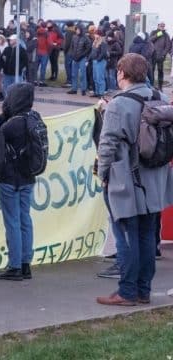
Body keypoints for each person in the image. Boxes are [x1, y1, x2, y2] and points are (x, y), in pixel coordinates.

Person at [96, 53, 173, 306]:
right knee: (148, 235)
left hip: (126, 179)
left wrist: (103, 174)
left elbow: (107, 144)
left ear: (122, 73)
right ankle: (143, 290)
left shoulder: (118, 104)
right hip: (156, 179)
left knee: (126, 235)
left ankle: (127, 292)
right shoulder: (160, 98)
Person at [0, 82, 38, 281]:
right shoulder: (34, 119)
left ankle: (14, 266)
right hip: (28, 177)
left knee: (12, 221)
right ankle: (25, 263)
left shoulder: (11, 124)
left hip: (10, 179)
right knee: (25, 219)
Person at [67, 25, 91, 96]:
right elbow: (71, 47)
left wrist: (82, 55)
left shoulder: (86, 38)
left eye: (78, 30)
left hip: (82, 58)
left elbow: (88, 48)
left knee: (82, 75)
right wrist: (71, 54)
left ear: (81, 30)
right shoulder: (74, 37)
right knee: (74, 74)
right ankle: (74, 89)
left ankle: (83, 89)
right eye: (76, 30)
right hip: (75, 58)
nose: (77, 31)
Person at [150, 22, 171, 90]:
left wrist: (163, 54)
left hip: (161, 56)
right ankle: (151, 85)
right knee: (151, 71)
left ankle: (160, 87)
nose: (162, 27)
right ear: (158, 26)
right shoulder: (153, 32)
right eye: (161, 26)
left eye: (163, 26)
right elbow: (150, 40)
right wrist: (158, 34)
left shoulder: (166, 35)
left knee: (160, 71)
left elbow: (168, 45)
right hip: (153, 55)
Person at [89, 31, 109, 98]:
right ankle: (97, 92)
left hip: (100, 62)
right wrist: (89, 59)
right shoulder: (94, 42)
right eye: (95, 34)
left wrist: (98, 59)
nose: (95, 35)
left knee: (100, 78)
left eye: (96, 34)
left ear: (99, 35)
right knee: (95, 78)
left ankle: (101, 93)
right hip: (94, 61)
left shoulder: (103, 43)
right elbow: (92, 52)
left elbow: (103, 53)